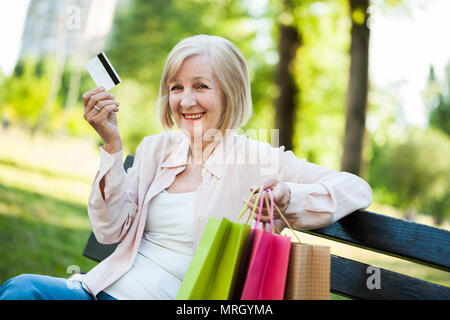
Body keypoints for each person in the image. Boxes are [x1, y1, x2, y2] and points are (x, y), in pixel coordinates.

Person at [0, 34, 372, 300]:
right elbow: (109, 230)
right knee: (21, 290)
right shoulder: (156, 149)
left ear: (229, 92)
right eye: (176, 87)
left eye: (200, 86)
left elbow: (356, 188)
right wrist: (112, 147)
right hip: (101, 290)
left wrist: (289, 195)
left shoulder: (258, 159)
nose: (185, 100)